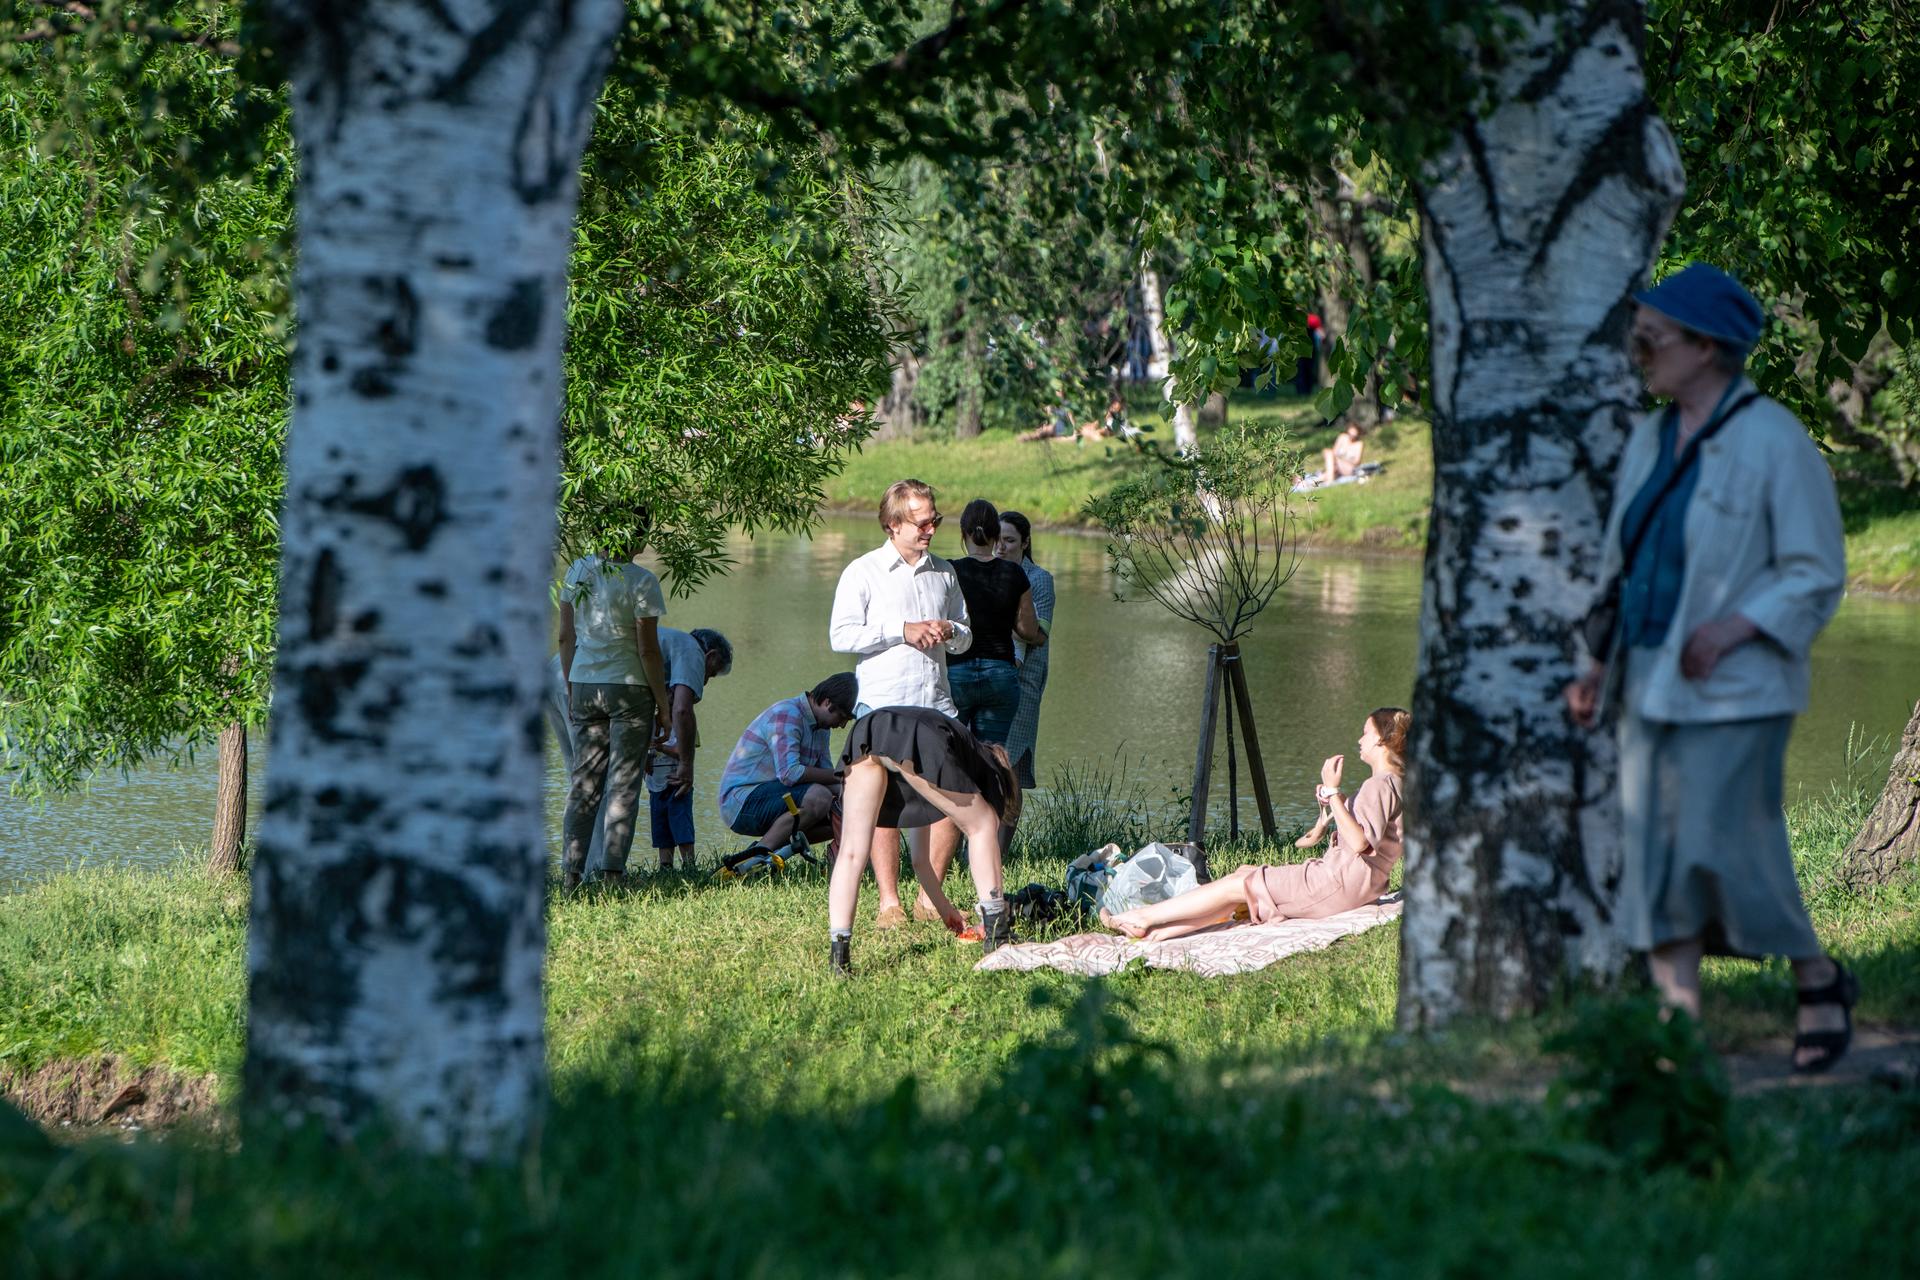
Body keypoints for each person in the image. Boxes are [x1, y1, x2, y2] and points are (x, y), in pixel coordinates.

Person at [1565, 262, 1853, 1074]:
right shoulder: (1651, 439)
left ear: (1706, 347)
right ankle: (1678, 1033)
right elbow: (1620, 563)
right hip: (1647, 686)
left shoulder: (1773, 441)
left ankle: (1819, 976)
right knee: (1657, 858)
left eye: (1654, 338)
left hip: (1738, 691)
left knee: (1730, 850)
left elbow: (1815, 570)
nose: (1640, 350)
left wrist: (1734, 628)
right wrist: (1590, 662)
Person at [1101, 708, 1408, 942]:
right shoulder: (1399, 785)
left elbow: (1360, 844)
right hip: (1356, 885)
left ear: (1382, 740)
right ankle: (1163, 931)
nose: (1359, 739)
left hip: (1338, 884)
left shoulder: (1379, 785)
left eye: (1365, 733)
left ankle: (1142, 917)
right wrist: (1331, 807)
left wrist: (1333, 791)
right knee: (1245, 874)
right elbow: (1335, 838)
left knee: (1239, 885)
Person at [827, 478, 973, 929]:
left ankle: (931, 898)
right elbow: (841, 636)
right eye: (922, 521)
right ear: (892, 524)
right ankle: (888, 901)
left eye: (935, 520)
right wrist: (902, 629)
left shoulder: (945, 572)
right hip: (883, 707)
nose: (931, 529)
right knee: (884, 806)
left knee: (954, 798)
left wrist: (951, 630)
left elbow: (967, 638)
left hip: (936, 703)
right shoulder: (863, 571)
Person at [827, 706, 1024, 973]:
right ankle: (998, 935)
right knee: (984, 823)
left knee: (851, 851)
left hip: (868, 729)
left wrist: (945, 910)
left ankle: (839, 960)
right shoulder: (982, 765)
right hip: (914, 733)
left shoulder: (941, 753)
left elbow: (920, 860)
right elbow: (984, 825)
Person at [556, 534, 673, 891]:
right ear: (635, 534)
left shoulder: (577, 570)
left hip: (585, 683)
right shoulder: (641, 581)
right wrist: (663, 707)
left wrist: (572, 683)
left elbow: (564, 637)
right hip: (630, 688)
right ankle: (611, 875)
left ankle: (570, 874)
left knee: (583, 782)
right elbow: (648, 651)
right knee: (623, 783)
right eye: (646, 530)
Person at [720, 672, 859, 862]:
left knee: (842, 811)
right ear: (828, 703)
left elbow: (828, 777)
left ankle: (769, 855)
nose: (842, 726)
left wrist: (856, 794)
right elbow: (790, 773)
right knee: (820, 797)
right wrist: (844, 775)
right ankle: (756, 858)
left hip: (774, 796)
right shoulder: (787, 714)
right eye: (842, 717)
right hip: (740, 802)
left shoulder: (821, 728)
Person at [645, 625, 734, 872]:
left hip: (676, 785)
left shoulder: (685, 726)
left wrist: (661, 749)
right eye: (710, 674)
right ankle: (665, 867)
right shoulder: (688, 652)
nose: (703, 681)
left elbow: (681, 733)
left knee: (681, 825)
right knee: (661, 828)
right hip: (657, 785)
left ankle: (689, 867)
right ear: (711, 657)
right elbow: (683, 709)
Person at [995, 511, 1054, 789]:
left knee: (1012, 772)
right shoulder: (988, 570)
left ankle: (1002, 835)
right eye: (998, 539)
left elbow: (1038, 636)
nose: (1001, 546)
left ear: (1025, 542)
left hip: (1023, 683)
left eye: (1009, 540)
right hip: (989, 680)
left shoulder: (1039, 578)